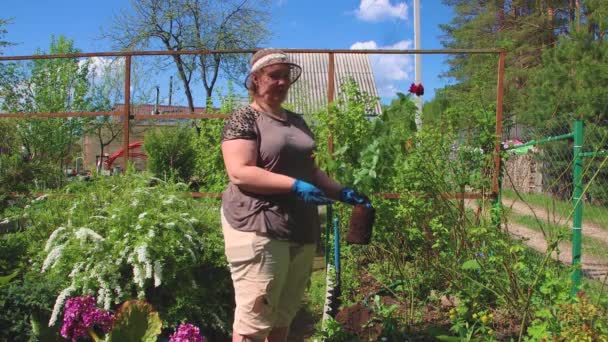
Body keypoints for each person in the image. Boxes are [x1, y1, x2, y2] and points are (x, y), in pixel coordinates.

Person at [220, 48, 371, 342]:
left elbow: (312, 171)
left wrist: (343, 192)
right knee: (255, 319)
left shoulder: (297, 121)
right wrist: (293, 185)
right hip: (258, 226)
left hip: (300, 228)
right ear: (255, 80)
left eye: (286, 77)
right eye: (274, 76)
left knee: (283, 317)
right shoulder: (244, 118)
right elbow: (239, 171)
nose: (282, 83)